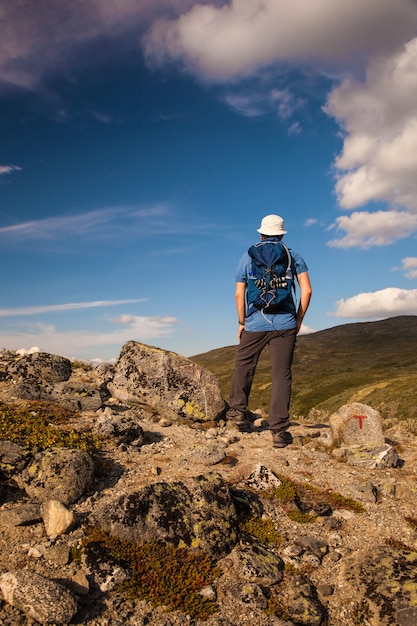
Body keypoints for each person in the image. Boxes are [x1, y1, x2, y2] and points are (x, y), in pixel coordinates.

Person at [227, 214, 312, 448]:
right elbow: (307, 291)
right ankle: (279, 431)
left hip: (254, 323)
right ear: (282, 235)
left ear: (261, 233)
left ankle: (236, 415)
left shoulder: (247, 256)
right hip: (285, 324)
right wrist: (298, 318)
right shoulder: (292, 256)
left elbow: (238, 293)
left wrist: (242, 322)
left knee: (244, 365)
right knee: (281, 374)